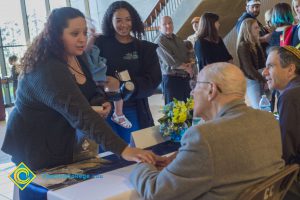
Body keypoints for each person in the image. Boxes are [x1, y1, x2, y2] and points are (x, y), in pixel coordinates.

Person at [1, 7, 161, 171]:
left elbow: (91, 89)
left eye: (85, 33)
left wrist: (100, 101)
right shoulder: (48, 69)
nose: (82, 39)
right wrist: (124, 150)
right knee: (31, 192)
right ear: (56, 35)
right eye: (75, 34)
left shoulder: (77, 56)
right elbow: (81, 115)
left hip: (59, 143)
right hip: (28, 151)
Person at [130, 62, 284, 200]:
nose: (192, 93)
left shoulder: (204, 136)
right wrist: (180, 158)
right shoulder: (268, 121)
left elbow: (157, 193)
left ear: (211, 90)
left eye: (195, 85)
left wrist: (142, 164)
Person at [92, 1, 162, 143]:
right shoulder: (99, 43)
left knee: (135, 151)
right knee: (108, 155)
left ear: (133, 20)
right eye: (118, 20)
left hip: (133, 108)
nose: (123, 24)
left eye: (127, 19)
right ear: (110, 21)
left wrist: (123, 84)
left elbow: (153, 80)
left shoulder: (144, 48)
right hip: (103, 108)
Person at [262, 46, 300, 199]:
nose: (264, 72)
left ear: (290, 69)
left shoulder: (291, 95)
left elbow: (285, 151)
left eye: (270, 66)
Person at [156, 16, 195, 104]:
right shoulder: (160, 41)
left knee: (189, 110)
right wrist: (187, 68)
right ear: (160, 27)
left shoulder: (177, 38)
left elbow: (187, 54)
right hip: (172, 80)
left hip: (185, 79)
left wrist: (190, 63)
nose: (168, 26)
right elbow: (171, 61)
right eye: (164, 24)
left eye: (170, 23)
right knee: (175, 113)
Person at [237, 18, 267, 109]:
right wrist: (263, 80)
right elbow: (248, 68)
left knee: (267, 106)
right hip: (253, 79)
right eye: (256, 28)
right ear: (248, 30)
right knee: (258, 108)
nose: (259, 30)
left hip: (262, 76)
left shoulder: (255, 42)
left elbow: (263, 61)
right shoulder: (243, 45)